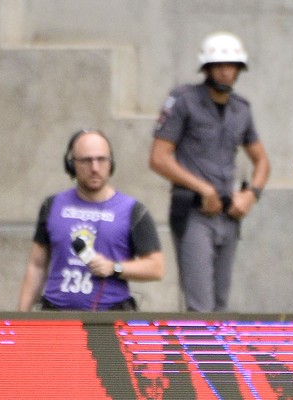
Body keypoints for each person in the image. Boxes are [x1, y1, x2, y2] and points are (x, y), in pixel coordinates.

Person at [149, 31, 270, 312]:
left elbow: (262, 160)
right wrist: (202, 188)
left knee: (220, 306)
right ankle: (196, 356)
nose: (226, 71)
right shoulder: (183, 100)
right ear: (207, 68)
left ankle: (216, 356)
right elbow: (158, 158)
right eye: (219, 65)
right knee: (199, 306)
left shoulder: (241, 109)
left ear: (239, 69)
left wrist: (251, 194)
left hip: (228, 214)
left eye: (232, 65)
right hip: (193, 211)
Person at [18, 129, 164, 312]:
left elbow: (156, 267)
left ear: (111, 163)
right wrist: (20, 320)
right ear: (71, 164)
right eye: (87, 161)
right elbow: (36, 266)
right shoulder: (52, 206)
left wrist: (115, 267)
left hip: (110, 317)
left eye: (101, 159)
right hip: (55, 315)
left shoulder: (134, 211)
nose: (95, 168)